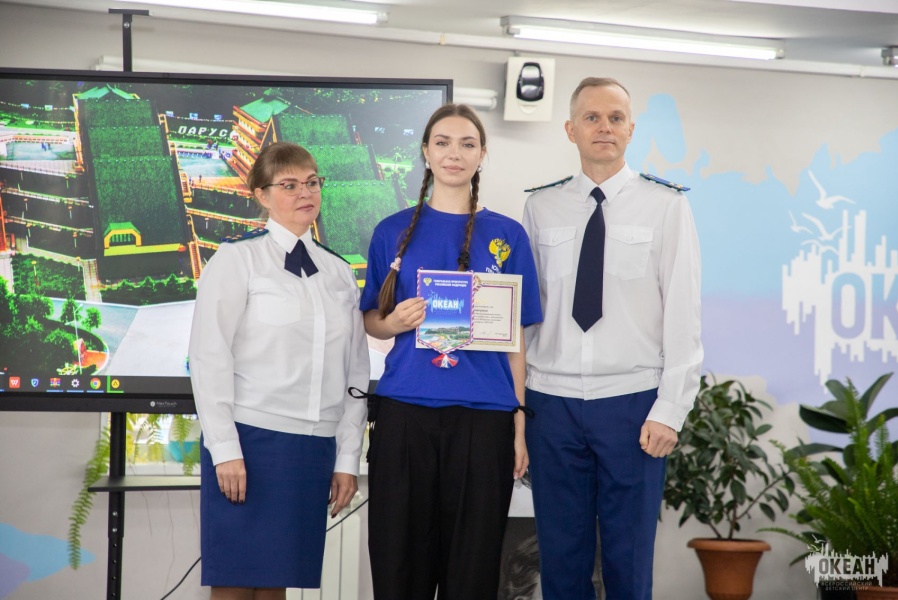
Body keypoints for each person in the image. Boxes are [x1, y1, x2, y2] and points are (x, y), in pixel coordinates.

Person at [522, 77, 703, 600]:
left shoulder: (666, 205)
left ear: (631, 129)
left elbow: (684, 314)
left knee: (628, 561)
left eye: (616, 118)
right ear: (570, 130)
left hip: (632, 404)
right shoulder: (540, 207)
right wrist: (518, 409)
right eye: (592, 118)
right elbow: (524, 315)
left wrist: (671, 409)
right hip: (551, 403)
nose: (604, 127)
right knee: (561, 560)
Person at [360, 103, 542, 599]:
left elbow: (516, 341)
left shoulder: (507, 235)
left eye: (467, 144)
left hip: (484, 421)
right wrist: (394, 322)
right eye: (442, 142)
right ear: (426, 152)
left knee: (472, 572)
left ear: (482, 154)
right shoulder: (391, 231)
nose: (453, 153)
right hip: (404, 414)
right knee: (400, 568)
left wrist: (519, 425)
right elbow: (371, 321)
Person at [188, 142, 369, 600]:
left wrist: (347, 458)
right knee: (234, 582)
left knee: (277, 585)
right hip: (250, 442)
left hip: (313, 449)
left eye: (312, 182)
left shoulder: (338, 271)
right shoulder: (237, 259)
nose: (305, 193)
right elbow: (209, 357)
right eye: (289, 185)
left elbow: (356, 372)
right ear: (262, 195)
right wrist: (225, 448)